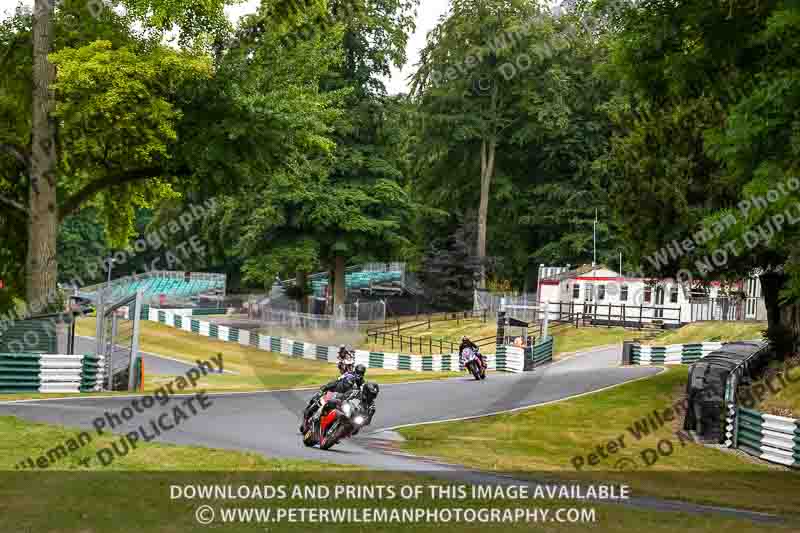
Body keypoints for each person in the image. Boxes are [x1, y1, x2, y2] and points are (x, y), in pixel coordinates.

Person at [302, 364, 367, 431]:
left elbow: (362, 392)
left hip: (342, 398)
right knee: (318, 400)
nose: (359, 374)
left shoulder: (362, 382)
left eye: (361, 373)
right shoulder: (349, 374)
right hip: (333, 391)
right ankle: (306, 416)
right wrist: (326, 387)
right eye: (358, 372)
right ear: (355, 371)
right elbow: (337, 381)